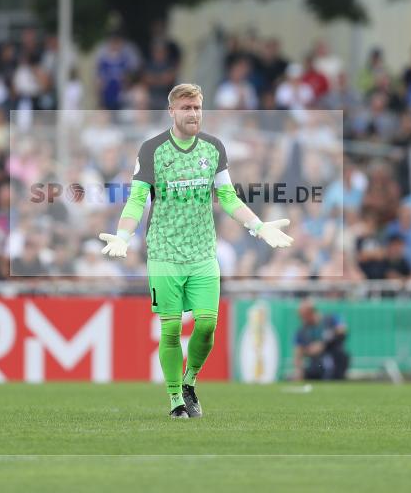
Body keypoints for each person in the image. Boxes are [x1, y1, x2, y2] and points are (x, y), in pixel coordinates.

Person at [98, 83, 293, 419]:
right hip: (163, 253)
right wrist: (123, 235)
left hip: (203, 253)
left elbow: (228, 198)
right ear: (172, 112)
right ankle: (175, 399)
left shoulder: (213, 149)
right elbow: (137, 199)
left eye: (197, 108)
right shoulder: (152, 150)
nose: (193, 114)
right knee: (171, 329)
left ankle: (190, 382)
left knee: (206, 326)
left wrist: (258, 226)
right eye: (186, 108)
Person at [293, 300, 349, 381]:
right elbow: (298, 354)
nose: (302, 319)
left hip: (335, 357)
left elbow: (343, 330)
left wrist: (323, 344)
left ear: (311, 313)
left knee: (339, 357)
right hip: (317, 363)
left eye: (304, 316)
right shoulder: (302, 331)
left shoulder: (330, 319)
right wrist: (298, 371)